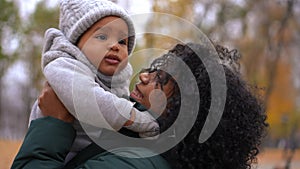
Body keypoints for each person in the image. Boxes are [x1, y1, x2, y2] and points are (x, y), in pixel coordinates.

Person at [13, 42, 268, 169]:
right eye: (154, 70)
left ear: (186, 109)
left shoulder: (134, 164)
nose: (145, 76)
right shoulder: (143, 145)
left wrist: (53, 124)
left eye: (162, 79)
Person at [29, 0, 159, 162]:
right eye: (102, 36)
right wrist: (140, 121)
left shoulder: (116, 79)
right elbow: (91, 101)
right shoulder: (64, 65)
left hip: (91, 156)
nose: (114, 46)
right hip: (56, 154)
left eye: (122, 41)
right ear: (76, 43)